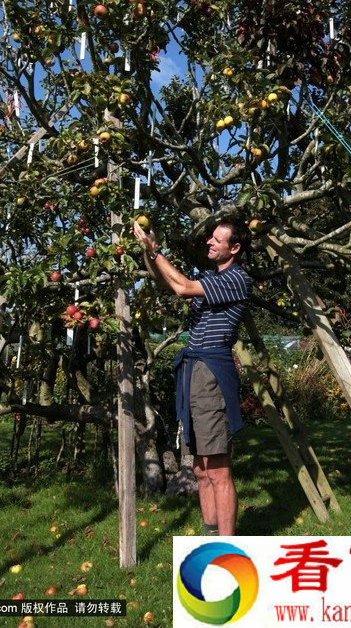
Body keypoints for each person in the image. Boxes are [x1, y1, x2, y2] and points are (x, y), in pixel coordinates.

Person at [132, 216, 252, 535]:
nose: (209, 242)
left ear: (235, 248)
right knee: (200, 469)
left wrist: (155, 251)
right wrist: (148, 250)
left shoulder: (236, 279)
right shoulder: (211, 277)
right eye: (210, 238)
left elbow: (183, 288)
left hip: (211, 373)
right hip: (194, 372)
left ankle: (229, 548)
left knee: (218, 469)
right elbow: (168, 283)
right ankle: (210, 534)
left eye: (217, 239)